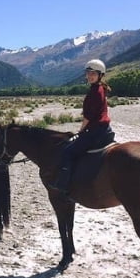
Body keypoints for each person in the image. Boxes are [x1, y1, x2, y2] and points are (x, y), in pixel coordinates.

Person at [49, 59, 113, 193]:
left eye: (93, 74)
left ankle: (63, 185)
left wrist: (81, 130)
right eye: (88, 73)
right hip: (103, 129)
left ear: (100, 75)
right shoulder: (100, 88)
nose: (89, 76)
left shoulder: (95, 92)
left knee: (68, 151)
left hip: (96, 130)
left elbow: (88, 117)